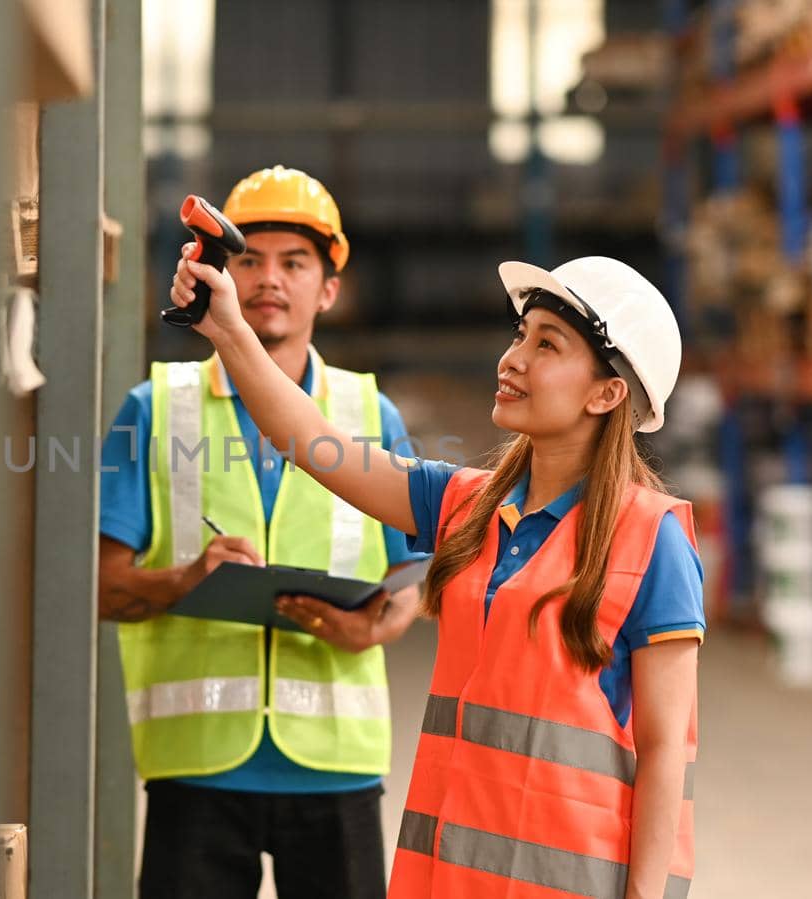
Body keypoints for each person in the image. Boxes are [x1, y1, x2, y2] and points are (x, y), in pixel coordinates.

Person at [168, 250, 704, 899]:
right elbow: (308, 438)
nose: (512, 360)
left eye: (547, 344)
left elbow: (665, 749)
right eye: (518, 336)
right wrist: (228, 327)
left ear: (607, 391)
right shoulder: (464, 508)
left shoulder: (653, 538)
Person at [98, 165, 428, 899]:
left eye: (295, 262)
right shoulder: (153, 410)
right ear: (219, 272)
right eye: (248, 258)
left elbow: (416, 576)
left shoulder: (373, 415)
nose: (269, 279)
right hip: (197, 766)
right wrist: (184, 581)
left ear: (329, 288)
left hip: (338, 765)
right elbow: (97, 584)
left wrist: (373, 627)